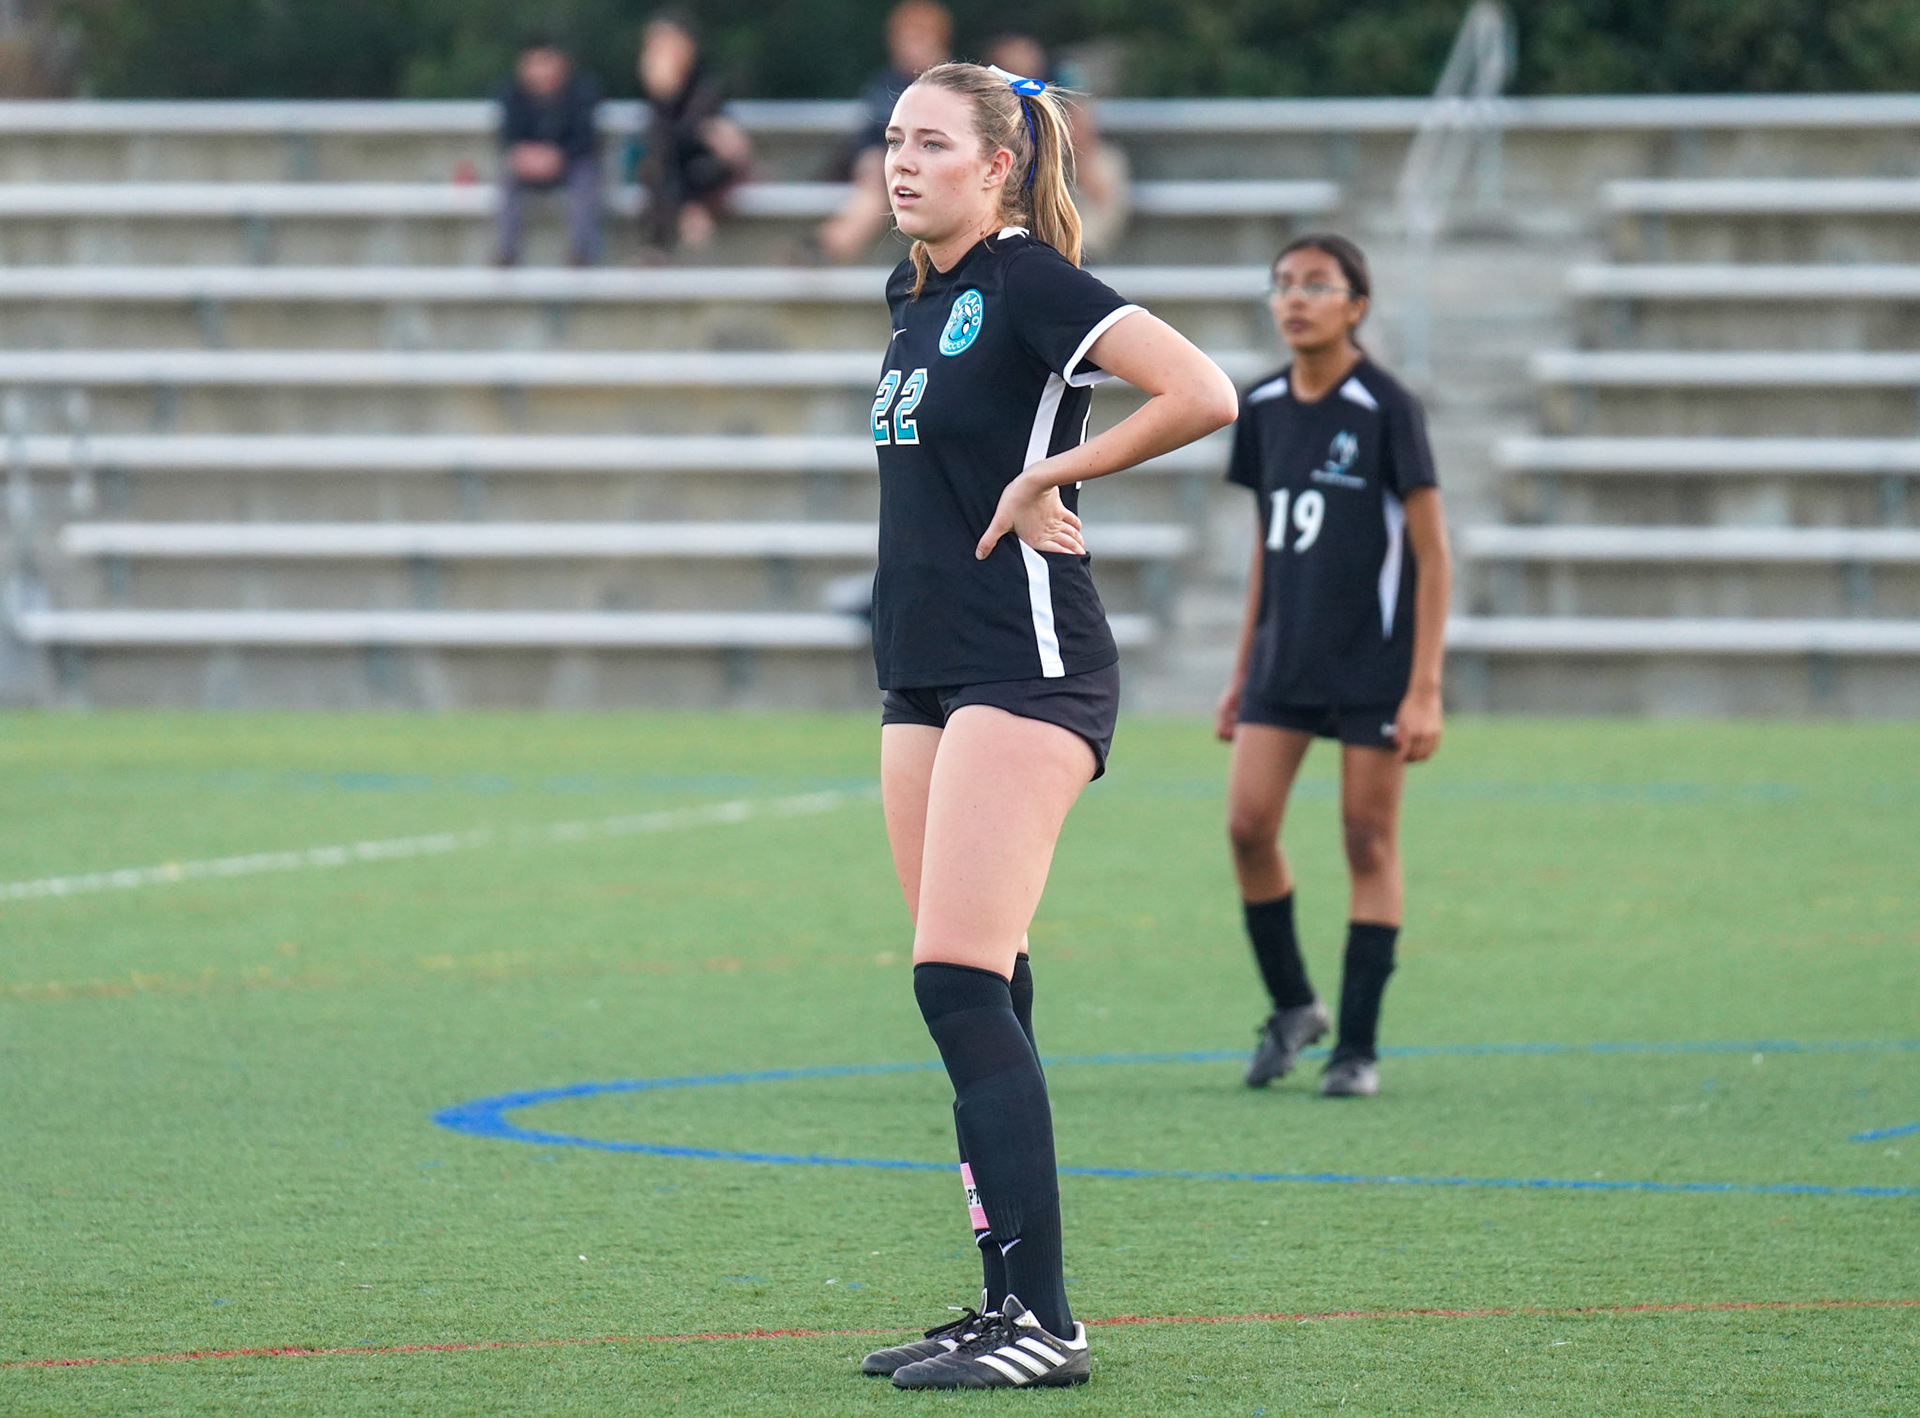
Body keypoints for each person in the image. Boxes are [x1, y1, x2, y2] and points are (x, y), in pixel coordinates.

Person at [855, 61, 1237, 1389]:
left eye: (931, 143)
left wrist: (1055, 473)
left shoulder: (1028, 282)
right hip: (923, 674)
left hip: (1026, 664)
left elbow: (1202, 390)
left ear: (999, 164)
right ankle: (1002, 1298)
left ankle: (1046, 1321)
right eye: (893, 140)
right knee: (983, 985)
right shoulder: (915, 295)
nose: (902, 162)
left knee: (957, 980)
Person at [1215, 234, 1452, 1100]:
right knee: (1247, 828)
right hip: (1285, 659)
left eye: (1317, 285)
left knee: (1365, 838)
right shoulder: (1261, 405)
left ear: (1357, 305)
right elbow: (1266, 548)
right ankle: (1292, 1006)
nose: (1295, 299)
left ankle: (1356, 1048)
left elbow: (1432, 553)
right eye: (1283, 284)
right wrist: (1242, 669)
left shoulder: (1387, 407)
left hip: (1372, 664)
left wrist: (1424, 687)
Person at [812, 0, 950, 263]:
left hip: (930, 166)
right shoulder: (886, 82)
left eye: (920, 39)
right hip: (884, 166)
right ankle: (829, 246)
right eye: (905, 40)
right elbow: (876, 130)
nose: (912, 48)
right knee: (875, 170)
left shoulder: (954, 84)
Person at [980, 33, 1130, 259]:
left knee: (1104, 165)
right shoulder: (983, 84)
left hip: (1060, 153)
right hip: (1006, 159)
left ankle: (1082, 253)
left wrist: (1083, 159)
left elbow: (1080, 122)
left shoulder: (1061, 74)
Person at [630, 9, 751, 257]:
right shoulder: (655, 91)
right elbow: (664, 140)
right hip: (676, 175)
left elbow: (688, 137)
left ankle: (657, 245)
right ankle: (679, 222)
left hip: (703, 170)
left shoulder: (706, 85)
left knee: (666, 168)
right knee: (655, 167)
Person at [494, 38, 603, 267]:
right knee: (507, 179)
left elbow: (586, 137)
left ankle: (582, 253)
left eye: (546, 62)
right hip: (528, 165)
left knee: (586, 178)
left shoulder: (582, 90)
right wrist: (527, 155)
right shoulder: (511, 92)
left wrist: (559, 157)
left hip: (571, 163)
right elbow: (508, 136)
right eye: (534, 63)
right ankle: (506, 252)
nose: (541, 71)